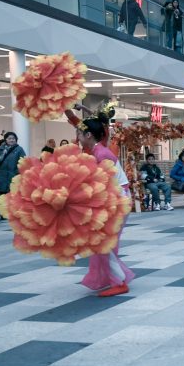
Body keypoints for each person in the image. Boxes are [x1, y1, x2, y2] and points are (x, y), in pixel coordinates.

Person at [77, 113, 134, 297]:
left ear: (88, 135)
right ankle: (114, 279)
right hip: (117, 199)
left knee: (103, 242)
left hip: (118, 200)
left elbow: (104, 183)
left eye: (79, 133)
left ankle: (119, 282)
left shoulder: (101, 153)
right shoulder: (97, 150)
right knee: (103, 242)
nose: (77, 136)